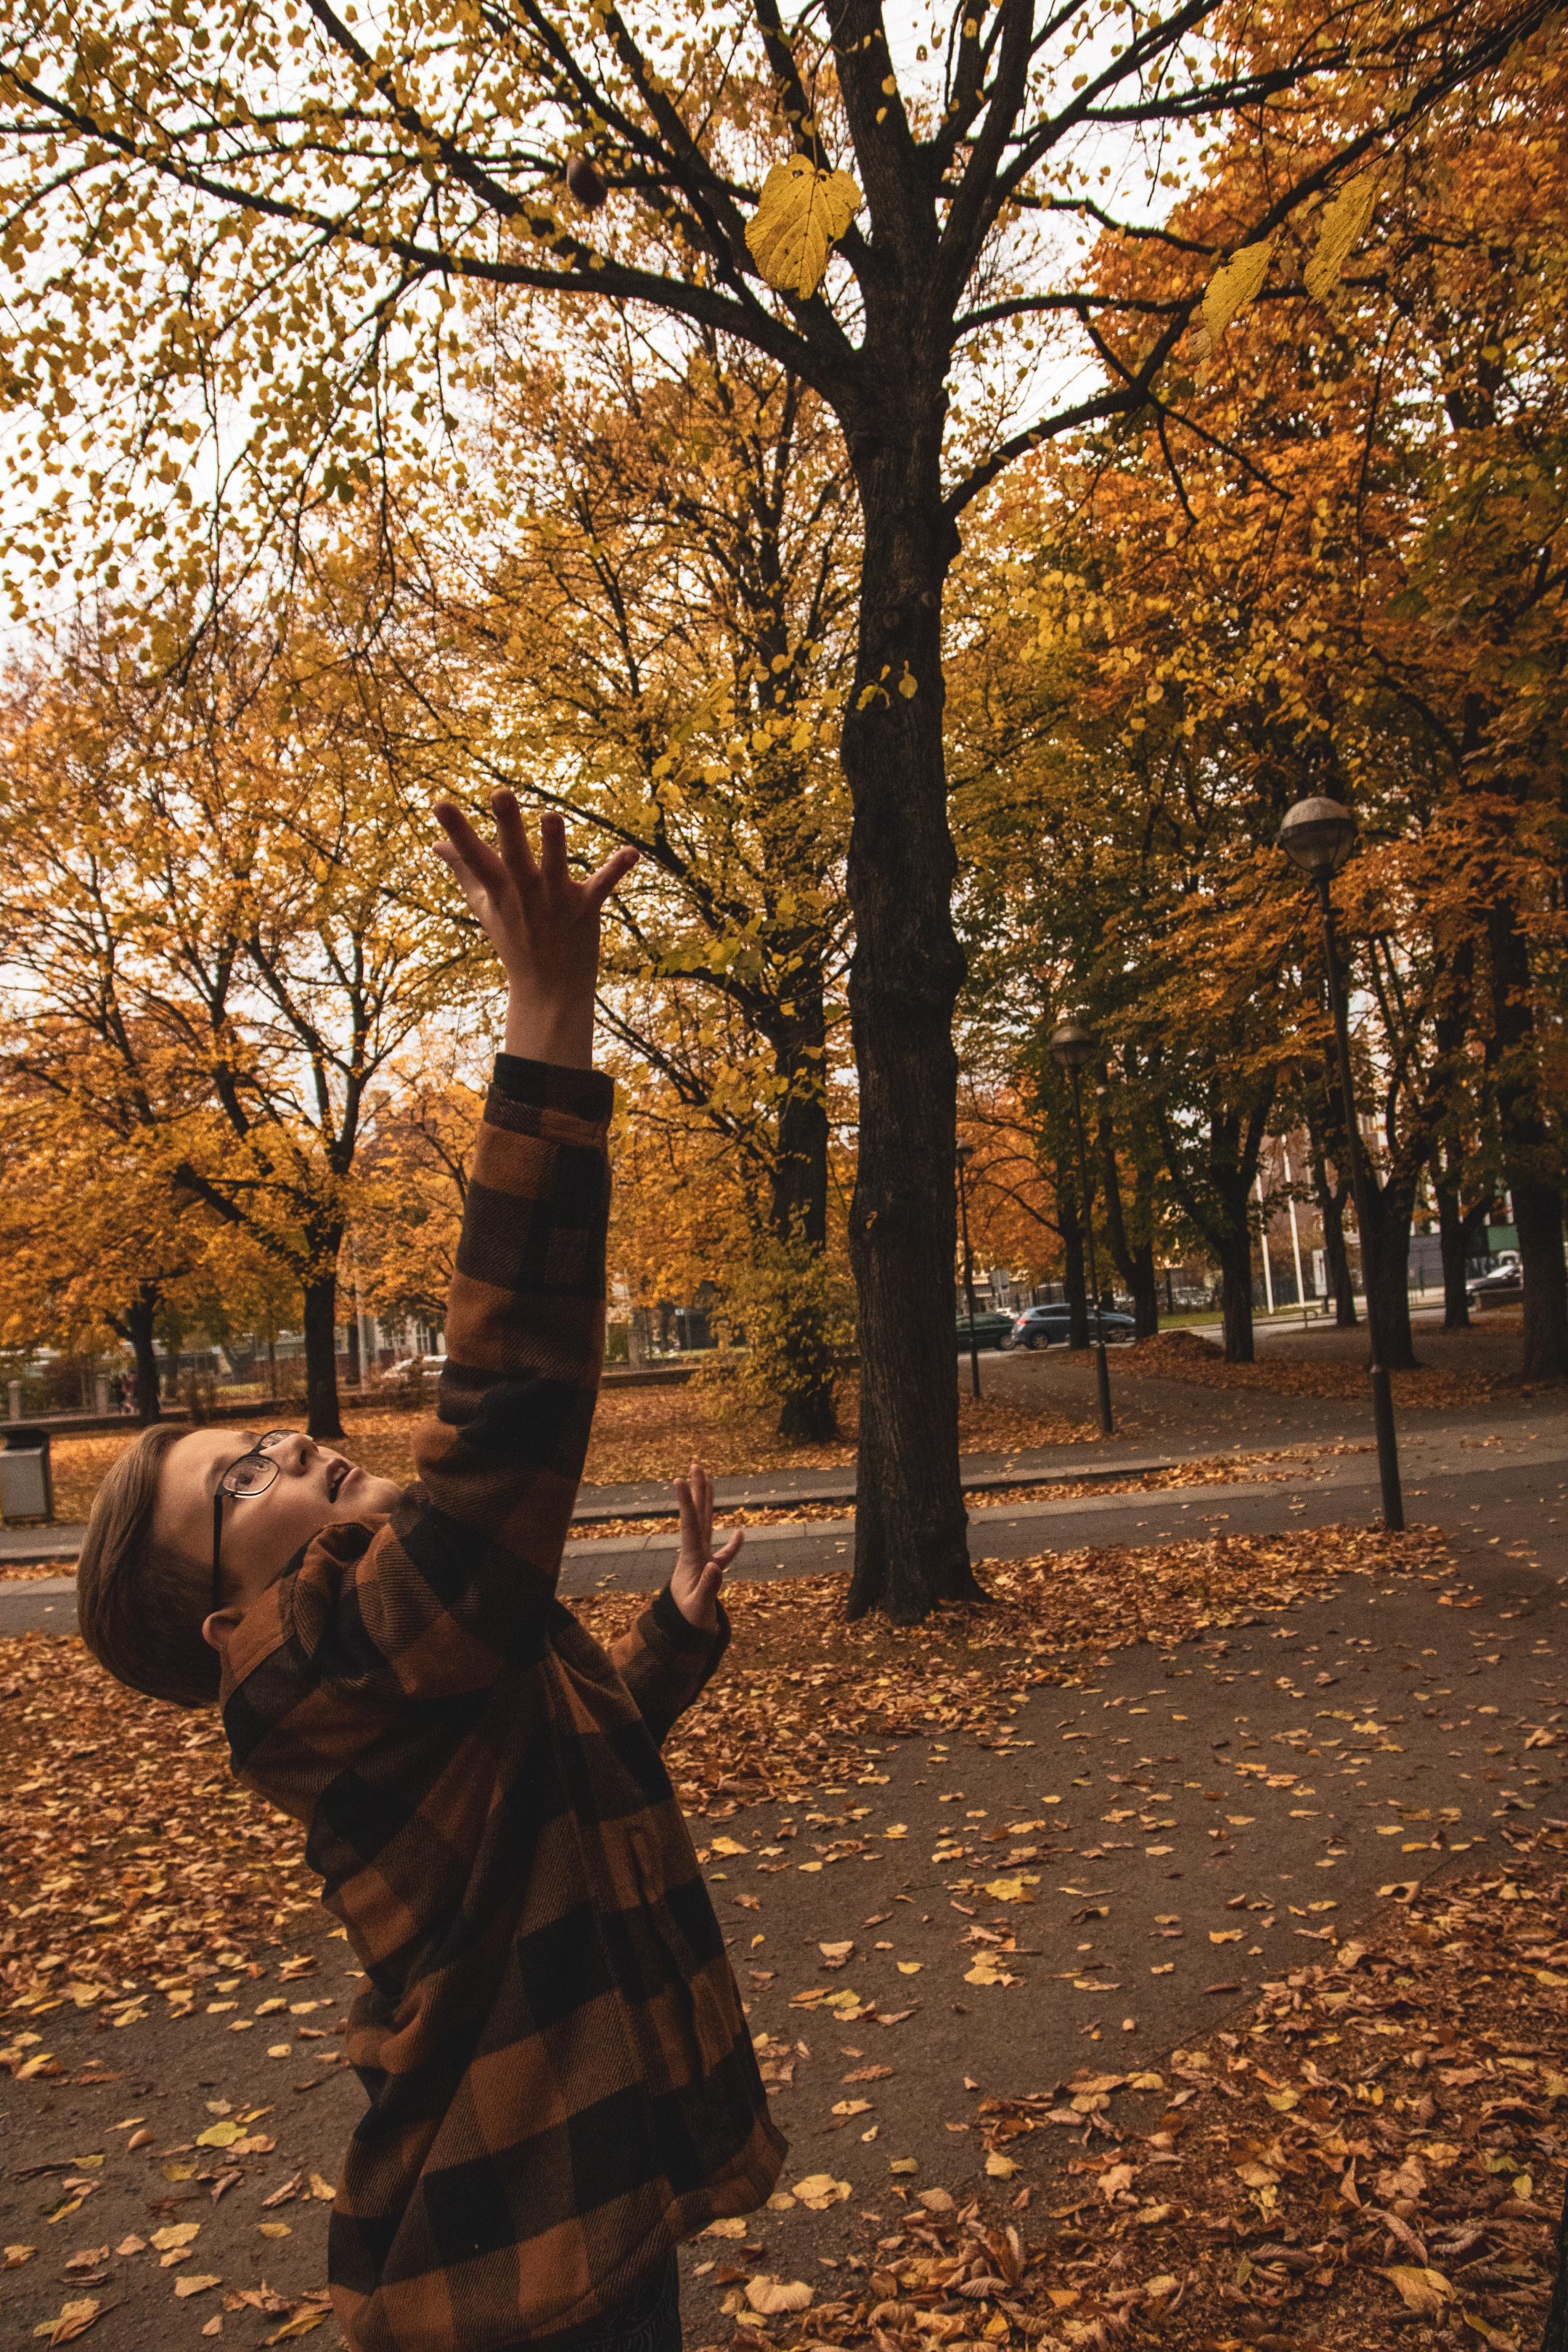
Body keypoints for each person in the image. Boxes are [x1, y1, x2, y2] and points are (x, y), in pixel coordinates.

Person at [75, 794, 786, 2352]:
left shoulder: (412, 1659)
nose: (291, 1454)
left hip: (586, 2203)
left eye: (261, 1439)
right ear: (223, 1617)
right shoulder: (306, 1676)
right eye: (240, 1484)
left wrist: (667, 1637)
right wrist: (546, 1019)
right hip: (503, 2249)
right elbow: (503, 1435)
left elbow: (548, 1780)